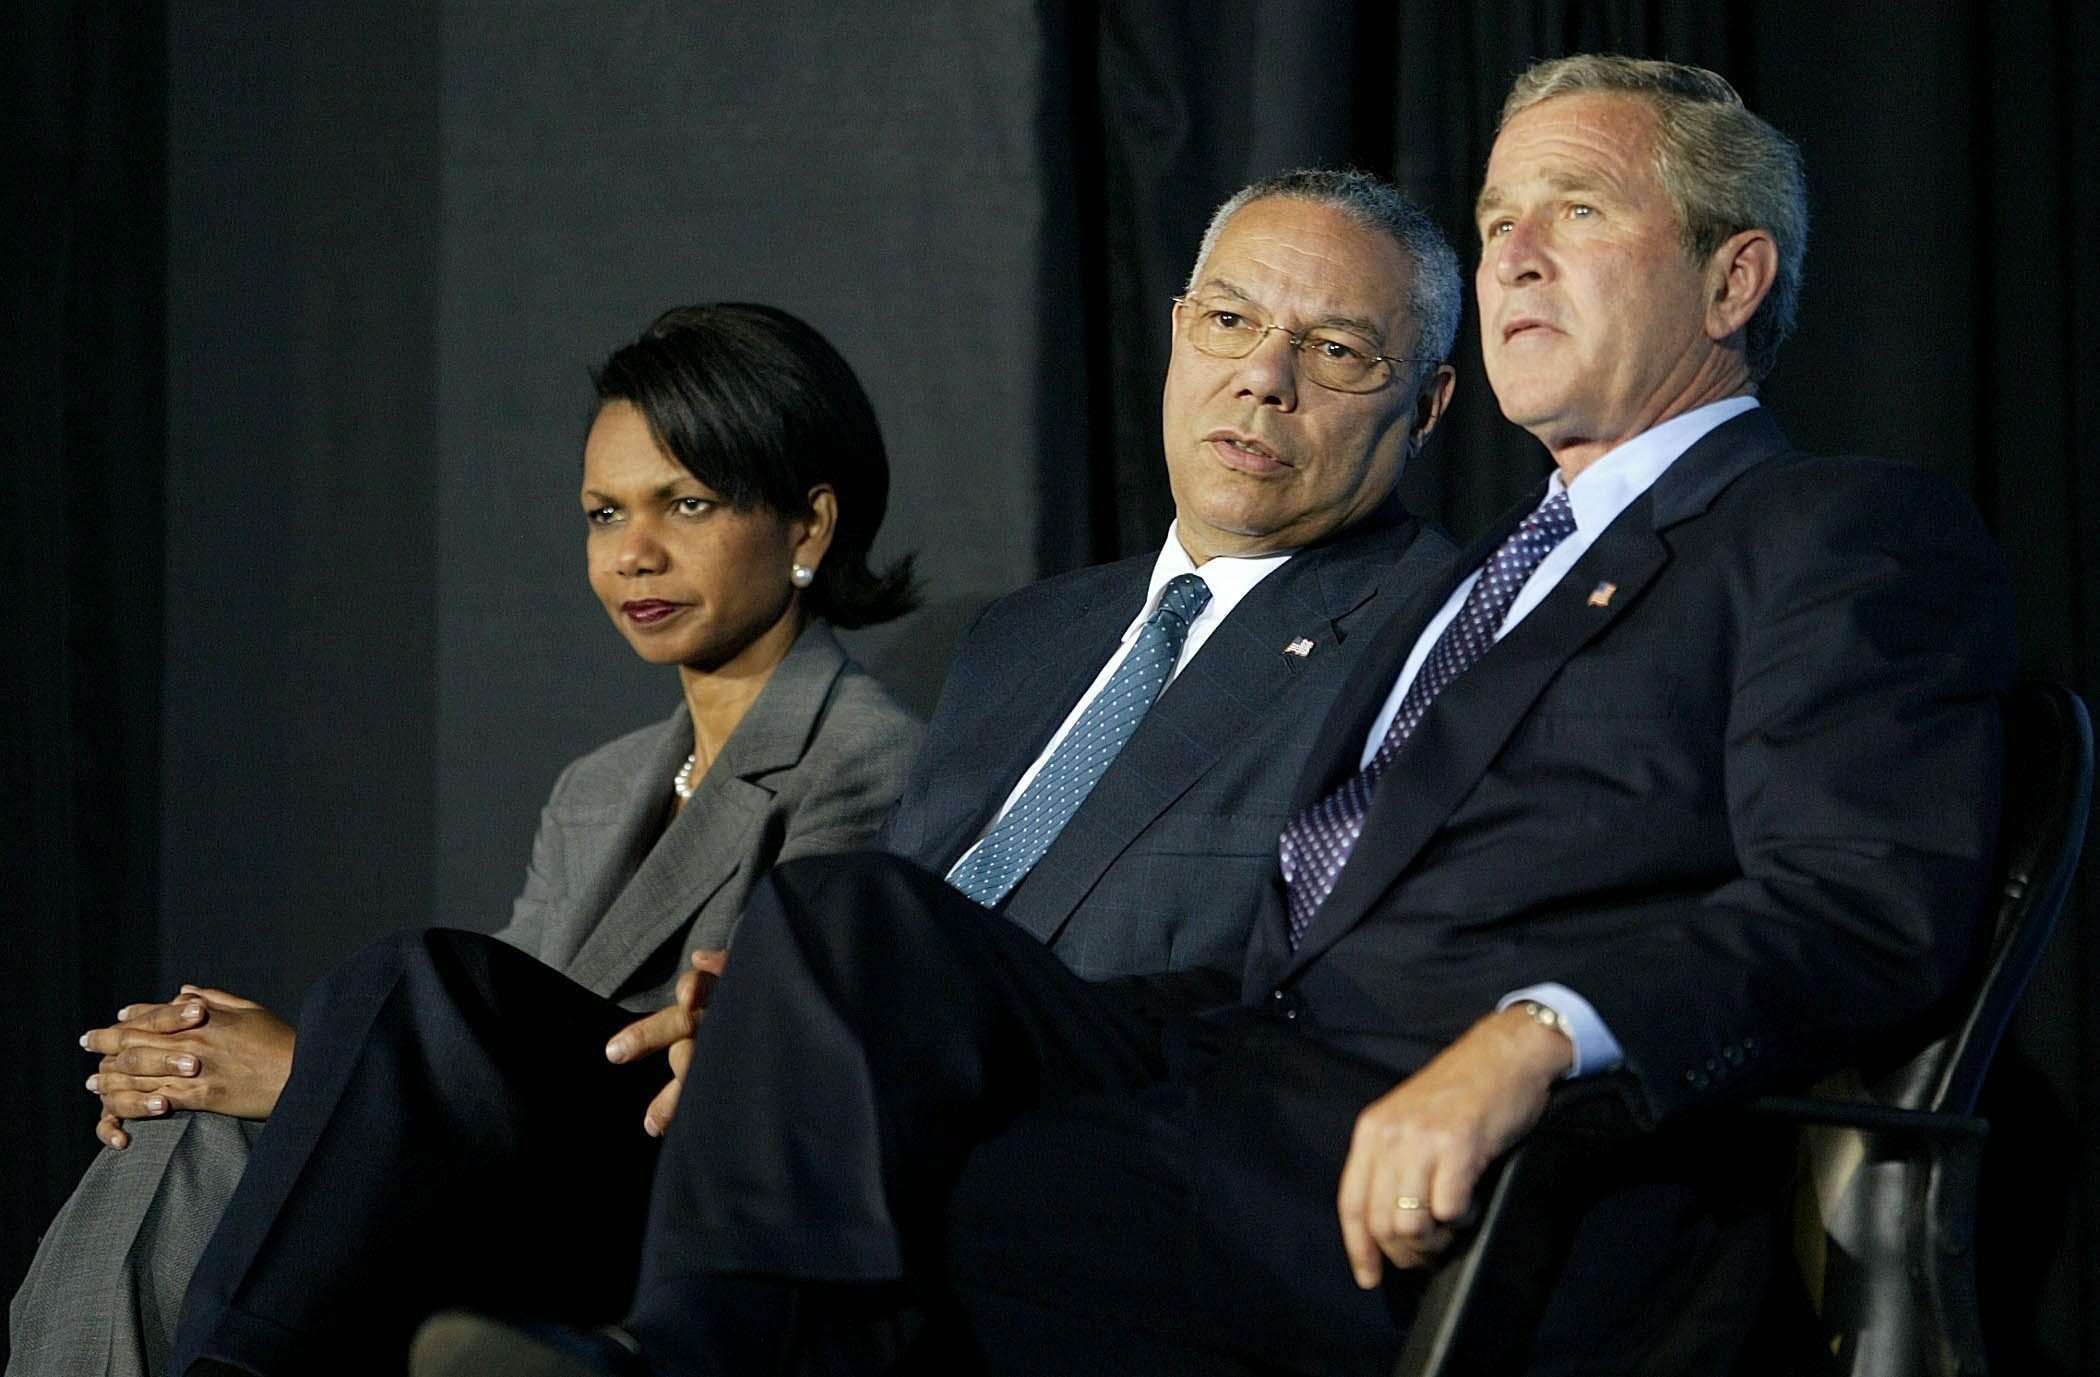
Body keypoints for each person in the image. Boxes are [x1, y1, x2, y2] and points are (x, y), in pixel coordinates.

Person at [402, 53, 2018, 1377]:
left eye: (1574, 212)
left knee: (911, 1199)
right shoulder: (1504, 583)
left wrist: (1537, 1034)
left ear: (1734, 275)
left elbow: (1864, 901)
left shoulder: (1836, 531)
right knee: (845, 925)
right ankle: (685, 1348)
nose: (1511, 252)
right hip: (1232, 1082)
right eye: (1499, 213)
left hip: (1477, 1185)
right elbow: (1293, 931)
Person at [161, 169, 1468, 1376]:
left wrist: (858, 1010)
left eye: (1338, 351)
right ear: (1179, 332)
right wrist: (767, 1023)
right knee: (419, 1001)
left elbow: (1311, 998)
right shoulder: (1026, 637)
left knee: (839, 923)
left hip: (1060, 1146)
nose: (1265, 381)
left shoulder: (1437, 639)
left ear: (1428, 404)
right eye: (1233, 323)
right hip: (803, 1109)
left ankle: (682, 1355)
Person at [5, 302, 925, 1377]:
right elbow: (491, 1053)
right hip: (505, 1192)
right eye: (601, 513)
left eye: (686, 503)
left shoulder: (871, 761)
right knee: (182, 1115)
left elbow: (727, 1087)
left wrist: (313, 1075)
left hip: (664, 1218)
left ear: (808, 527)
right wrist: (242, 1073)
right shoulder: (600, 788)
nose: (633, 554)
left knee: (411, 981)